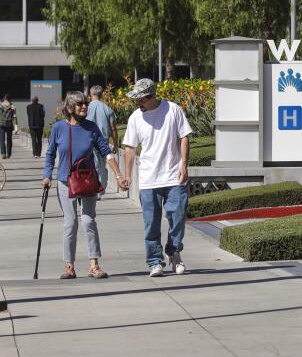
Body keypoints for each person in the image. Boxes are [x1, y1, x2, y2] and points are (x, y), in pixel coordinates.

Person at [42, 91, 127, 279]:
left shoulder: (91, 127)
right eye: (80, 104)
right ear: (70, 108)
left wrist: (119, 175)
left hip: (87, 179)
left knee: (88, 221)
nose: (84, 107)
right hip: (65, 181)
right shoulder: (58, 128)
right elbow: (50, 154)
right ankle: (69, 266)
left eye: (86, 103)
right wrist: (47, 176)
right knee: (70, 223)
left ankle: (94, 264)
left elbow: (106, 151)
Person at [122, 79, 192, 277]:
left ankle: (174, 251)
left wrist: (183, 166)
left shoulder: (173, 110)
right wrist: (127, 175)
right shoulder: (135, 118)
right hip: (148, 179)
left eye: (141, 99)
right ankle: (154, 262)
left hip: (173, 176)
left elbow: (184, 137)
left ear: (152, 97)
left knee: (178, 216)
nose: (138, 103)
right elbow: (129, 147)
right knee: (151, 223)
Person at [86, 85, 118, 198]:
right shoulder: (107, 109)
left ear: (90, 94)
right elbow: (113, 128)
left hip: (88, 140)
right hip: (103, 141)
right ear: (102, 94)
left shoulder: (86, 108)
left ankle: (93, 189)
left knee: (92, 165)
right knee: (102, 165)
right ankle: (101, 189)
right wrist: (116, 144)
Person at [0, 94, 18, 159]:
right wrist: (16, 127)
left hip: (1, 124)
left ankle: (3, 153)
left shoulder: (0, 105)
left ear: (4, 99)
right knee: (9, 139)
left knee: (1, 139)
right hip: (9, 124)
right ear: (9, 99)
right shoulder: (12, 106)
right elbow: (14, 117)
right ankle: (8, 154)